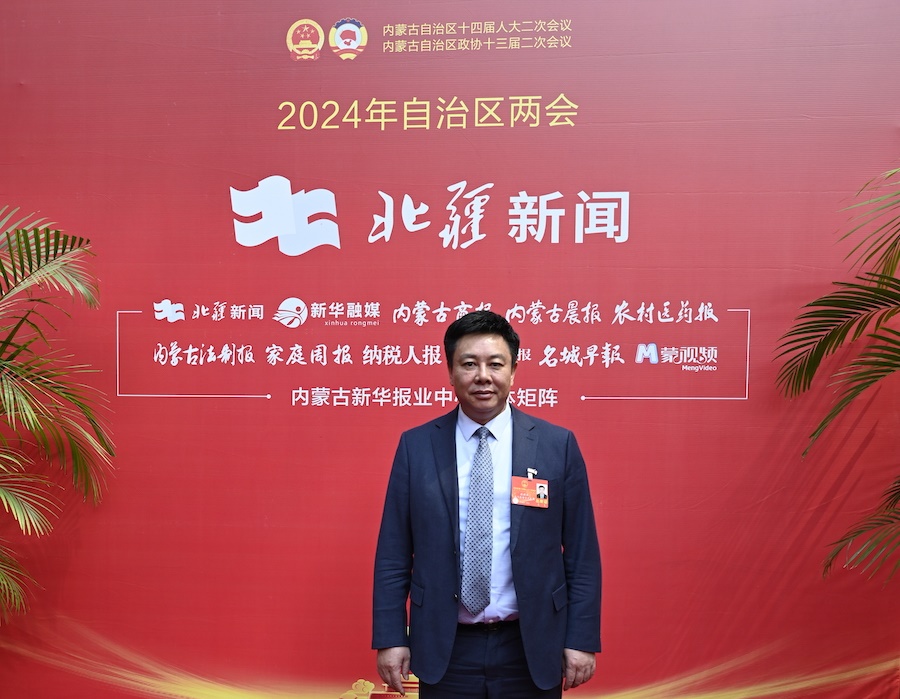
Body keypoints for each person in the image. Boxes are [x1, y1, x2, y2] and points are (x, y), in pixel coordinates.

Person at [372, 310, 601, 698]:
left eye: (495, 364)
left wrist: (580, 638)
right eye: (469, 364)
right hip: (446, 646)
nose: (483, 376)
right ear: (450, 372)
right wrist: (391, 637)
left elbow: (582, 555)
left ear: (513, 371)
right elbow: (393, 553)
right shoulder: (417, 446)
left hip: (530, 645)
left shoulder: (556, 446)